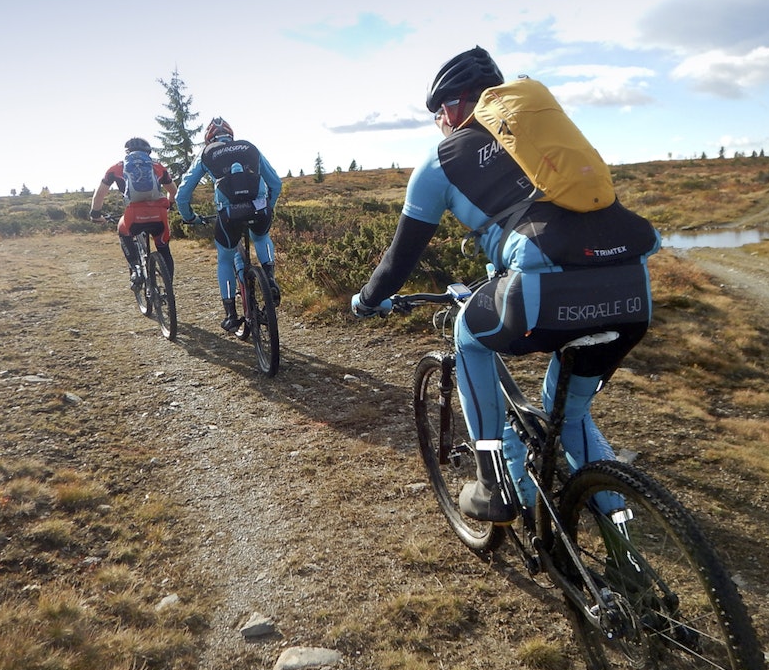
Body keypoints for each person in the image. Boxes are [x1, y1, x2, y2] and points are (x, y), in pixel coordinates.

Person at [351, 47, 660, 523]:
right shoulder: (543, 141)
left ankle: (492, 484)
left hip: (541, 291)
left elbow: (398, 261)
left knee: (467, 335)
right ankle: (625, 551)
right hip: (631, 286)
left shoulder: (440, 162)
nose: (439, 121)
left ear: (453, 107)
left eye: (438, 111)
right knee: (571, 414)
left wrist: (366, 301)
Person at [175, 117, 283, 332]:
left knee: (225, 258)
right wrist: (268, 206)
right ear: (231, 135)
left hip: (228, 214)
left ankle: (231, 315)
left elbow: (182, 194)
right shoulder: (250, 148)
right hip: (258, 207)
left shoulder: (207, 154)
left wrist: (189, 217)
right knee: (261, 237)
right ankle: (269, 279)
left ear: (209, 139)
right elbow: (276, 183)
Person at [90, 138, 178, 287]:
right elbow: (173, 192)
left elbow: (100, 194)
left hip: (133, 215)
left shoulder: (117, 168)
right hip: (159, 214)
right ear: (148, 152)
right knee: (163, 248)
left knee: (122, 230)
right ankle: (168, 287)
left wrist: (95, 214)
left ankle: (136, 268)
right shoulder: (157, 166)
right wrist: (168, 205)